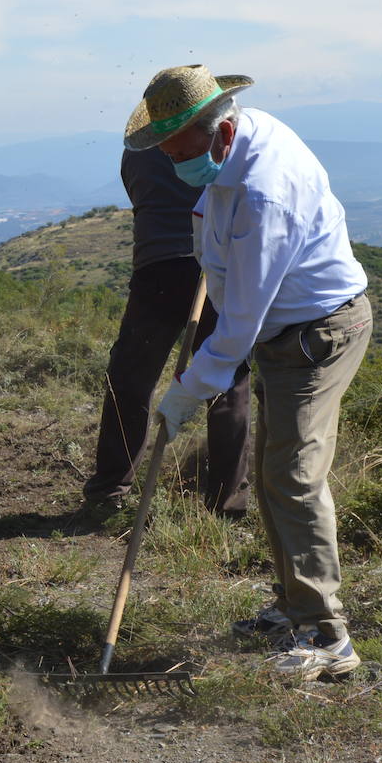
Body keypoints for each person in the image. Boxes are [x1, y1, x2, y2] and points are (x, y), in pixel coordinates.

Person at [125, 65, 373, 682]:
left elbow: (240, 321)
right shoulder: (235, 143)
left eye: (179, 152)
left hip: (318, 333)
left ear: (220, 134)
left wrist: (187, 392)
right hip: (284, 331)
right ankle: (292, 607)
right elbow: (228, 267)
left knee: (291, 475)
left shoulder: (266, 191)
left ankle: (327, 636)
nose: (175, 164)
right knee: (271, 471)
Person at [83, 147, 252, 517]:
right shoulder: (215, 139)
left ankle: (109, 489)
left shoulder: (135, 151)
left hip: (157, 268)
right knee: (227, 379)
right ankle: (227, 504)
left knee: (129, 377)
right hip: (211, 264)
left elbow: (140, 194)